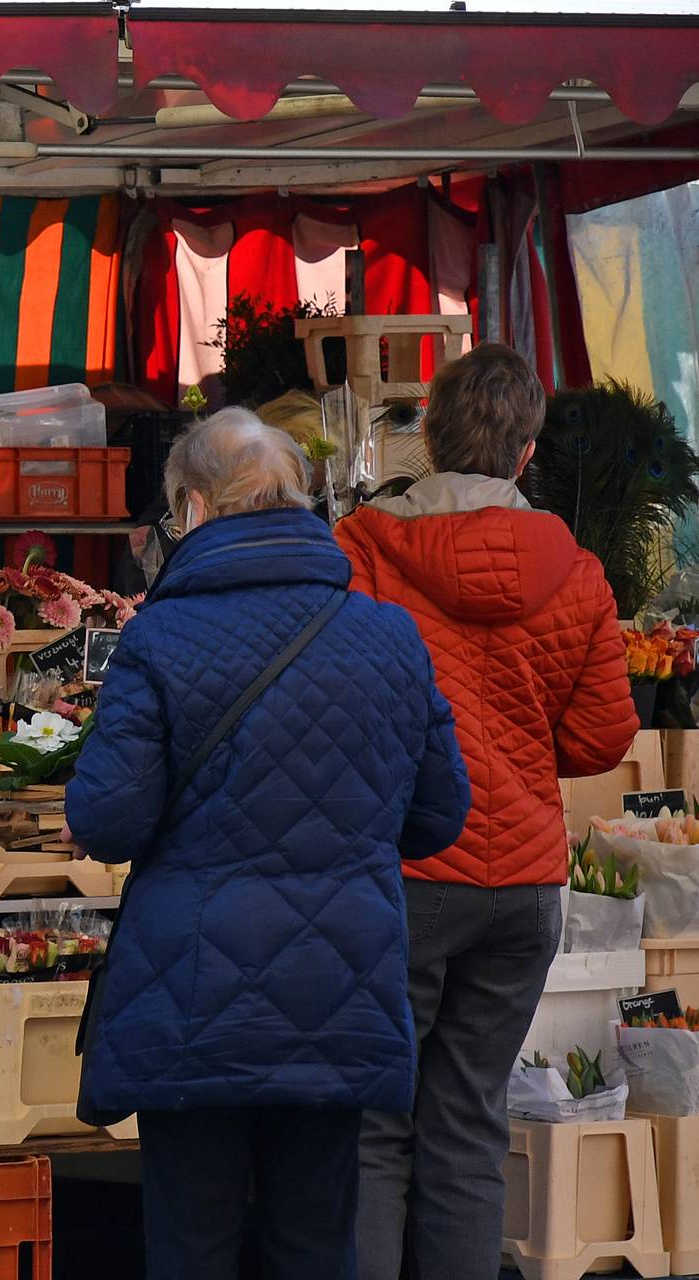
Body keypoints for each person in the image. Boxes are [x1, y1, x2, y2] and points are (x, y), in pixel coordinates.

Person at [68, 410, 471, 1280]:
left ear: (197, 509)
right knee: (315, 1243)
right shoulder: (389, 637)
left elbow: (107, 819)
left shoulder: (160, 638)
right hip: (340, 985)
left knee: (192, 1245)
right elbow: (442, 815)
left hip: (192, 992)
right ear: (301, 499)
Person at [335, 344, 637, 1280]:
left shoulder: (361, 552)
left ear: (425, 438)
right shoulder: (578, 572)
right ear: (525, 453)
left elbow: (334, 708)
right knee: (469, 1123)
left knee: (375, 1130)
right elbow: (598, 742)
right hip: (523, 893)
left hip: (405, 873)